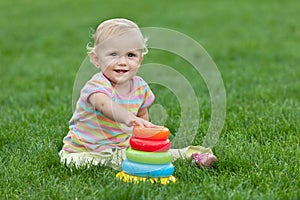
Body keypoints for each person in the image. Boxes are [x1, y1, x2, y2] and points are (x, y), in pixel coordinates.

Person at [59, 18, 217, 170]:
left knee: (150, 153)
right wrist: (128, 118)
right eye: (113, 54)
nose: (122, 61)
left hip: (121, 147)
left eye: (130, 55)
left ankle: (193, 154)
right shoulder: (96, 85)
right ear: (96, 59)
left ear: (140, 60)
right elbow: (104, 104)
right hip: (85, 151)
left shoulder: (140, 87)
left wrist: (145, 135)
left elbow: (142, 115)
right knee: (78, 163)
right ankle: (130, 161)